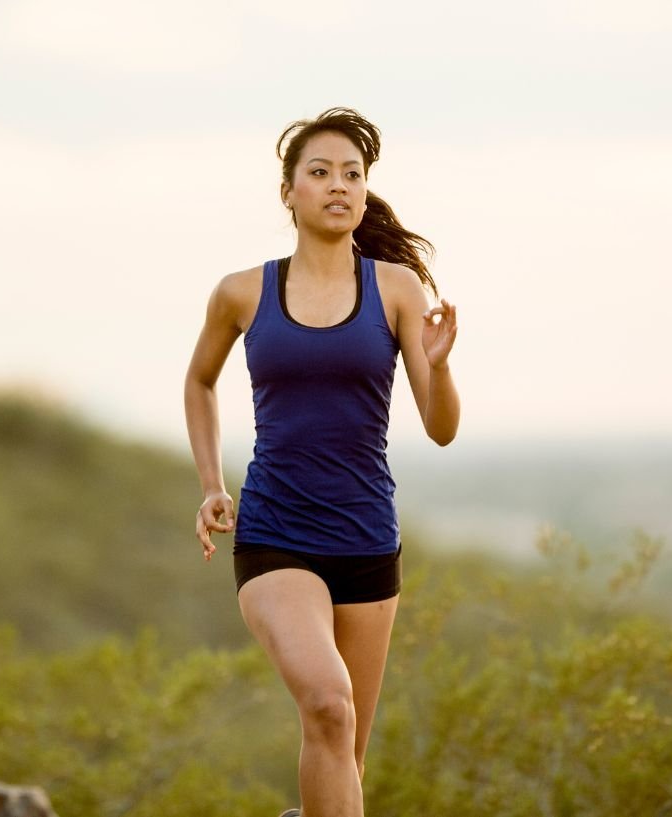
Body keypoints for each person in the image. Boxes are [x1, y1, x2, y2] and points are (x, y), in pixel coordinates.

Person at [184, 107, 460, 817]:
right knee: (329, 706)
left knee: (345, 754)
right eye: (320, 172)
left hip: (367, 542)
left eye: (352, 174)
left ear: (364, 193)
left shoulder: (396, 288)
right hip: (276, 536)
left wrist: (439, 366)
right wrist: (213, 482)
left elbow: (441, 428)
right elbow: (200, 380)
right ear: (290, 192)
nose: (338, 185)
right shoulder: (243, 292)